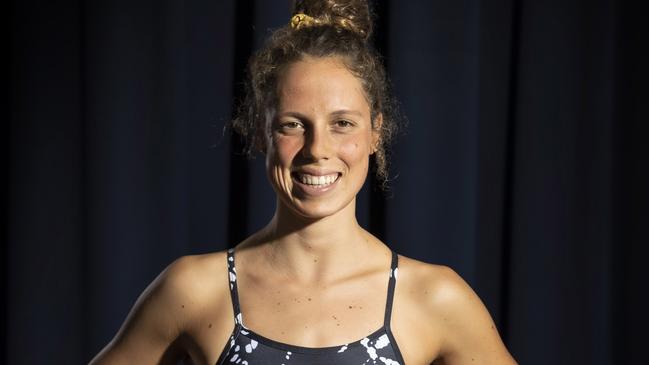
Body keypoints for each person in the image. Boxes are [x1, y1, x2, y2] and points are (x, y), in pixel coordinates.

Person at [90, 0, 517, 364]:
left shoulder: (433, 298)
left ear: (375, 133)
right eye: (293, 125)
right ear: (261, 132)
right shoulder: (196, 289)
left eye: (342, 123)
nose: (317, 149)